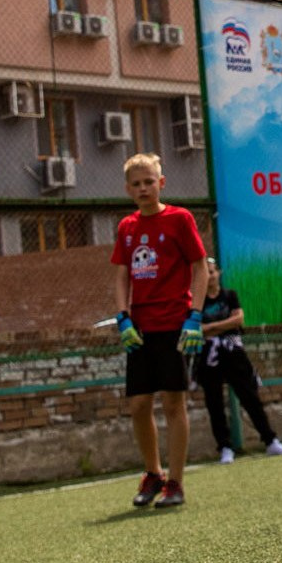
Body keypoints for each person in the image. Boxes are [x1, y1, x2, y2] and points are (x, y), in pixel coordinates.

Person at [112, 153, 206, 509]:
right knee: (138, 404)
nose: (143, 188)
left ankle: (177, 482)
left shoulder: (180, 219)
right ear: (128, 189)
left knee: (172, 402)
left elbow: (199, 266)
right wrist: (122, 316)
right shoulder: (127, 227)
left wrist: (194, 315)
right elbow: (121, 274)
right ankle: (153, 474)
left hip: (173, 324)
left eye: (149, 181)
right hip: (140, 327)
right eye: (136, 184)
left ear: (161, 183)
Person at [193, 258, 282, 464]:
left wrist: (213, 327)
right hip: (209, 355)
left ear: (218, 273)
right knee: (214, 402)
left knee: (249, 395)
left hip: (234, 353)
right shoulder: (197, 302)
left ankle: (270, 440)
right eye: (205, 272)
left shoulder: (229, 295)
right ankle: (225, 447)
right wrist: (220, 327)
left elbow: (238, 319)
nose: (209, 276)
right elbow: (198, 328)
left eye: (212, 272)